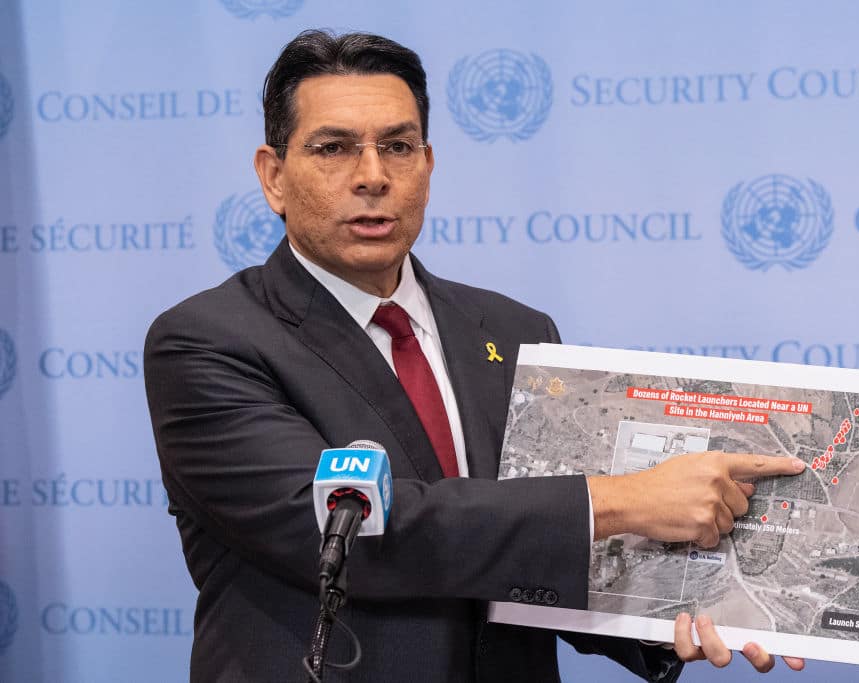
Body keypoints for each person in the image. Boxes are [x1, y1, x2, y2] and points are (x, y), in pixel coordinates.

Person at [144, 30, 807, 682]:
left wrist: (669, 616)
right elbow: (357, 538)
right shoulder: (208, 341)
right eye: (334, 148)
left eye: (398, 147)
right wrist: (622, 500)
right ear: (273, 177)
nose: (372, 176)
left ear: (427, 169)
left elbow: (537, 556)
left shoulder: (515, 330)